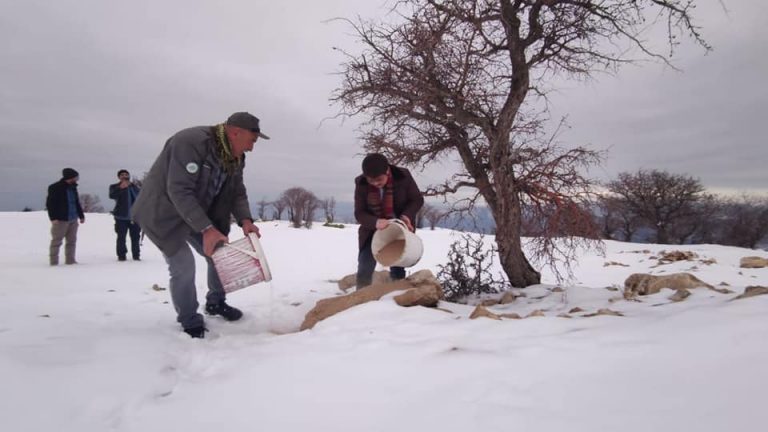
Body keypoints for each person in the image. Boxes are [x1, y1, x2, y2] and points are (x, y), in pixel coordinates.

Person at [131, 112, 268, 338]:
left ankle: (215, 302)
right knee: (183, 265)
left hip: (197, 213)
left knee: (219, 253)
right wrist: (207, 229)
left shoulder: (236, 157)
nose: (252, 148)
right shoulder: (190, 143)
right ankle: (189, 319)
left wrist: (245, 220)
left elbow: (237, 191)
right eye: (251, 141)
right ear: (235, 132)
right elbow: (179, 190)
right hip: (163, 213)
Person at [354, 153, 424, 290]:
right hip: (373, 230)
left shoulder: (403, 176)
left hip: (399, 229)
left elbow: (417, 199)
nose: (375, 183)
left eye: (379, 179)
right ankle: (360, 297)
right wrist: (376, 222)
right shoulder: (361, 183)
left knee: (398, 265)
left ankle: (396, 297)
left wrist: (406, 216)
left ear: (387, 171)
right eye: (371, 180)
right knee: (365, 264)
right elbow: (359, 213)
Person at [46, 168, 85, 265]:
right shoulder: (55, 187)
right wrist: (53, 217)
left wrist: (81, 215)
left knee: (71, 241)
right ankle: (53, 262)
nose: (77, 179)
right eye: (75, 177)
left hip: (73, 218)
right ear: (69, 177)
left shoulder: (73, 188)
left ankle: (70, 260)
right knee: (56, 241)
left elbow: (76, 202)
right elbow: (50, 203)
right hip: (61, 219)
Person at [109, 169, 142, 261]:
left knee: (135, 237)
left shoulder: (134, 187)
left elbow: (141, 197)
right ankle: (121, 255)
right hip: (121, 217)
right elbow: (112, 196)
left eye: (126, 174)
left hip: (134, 217)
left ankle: (136, 255)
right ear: (119, 177)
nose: (124, 176)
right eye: (122, 175)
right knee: (121, 237)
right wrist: (120, 188)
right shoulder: (114, 186)